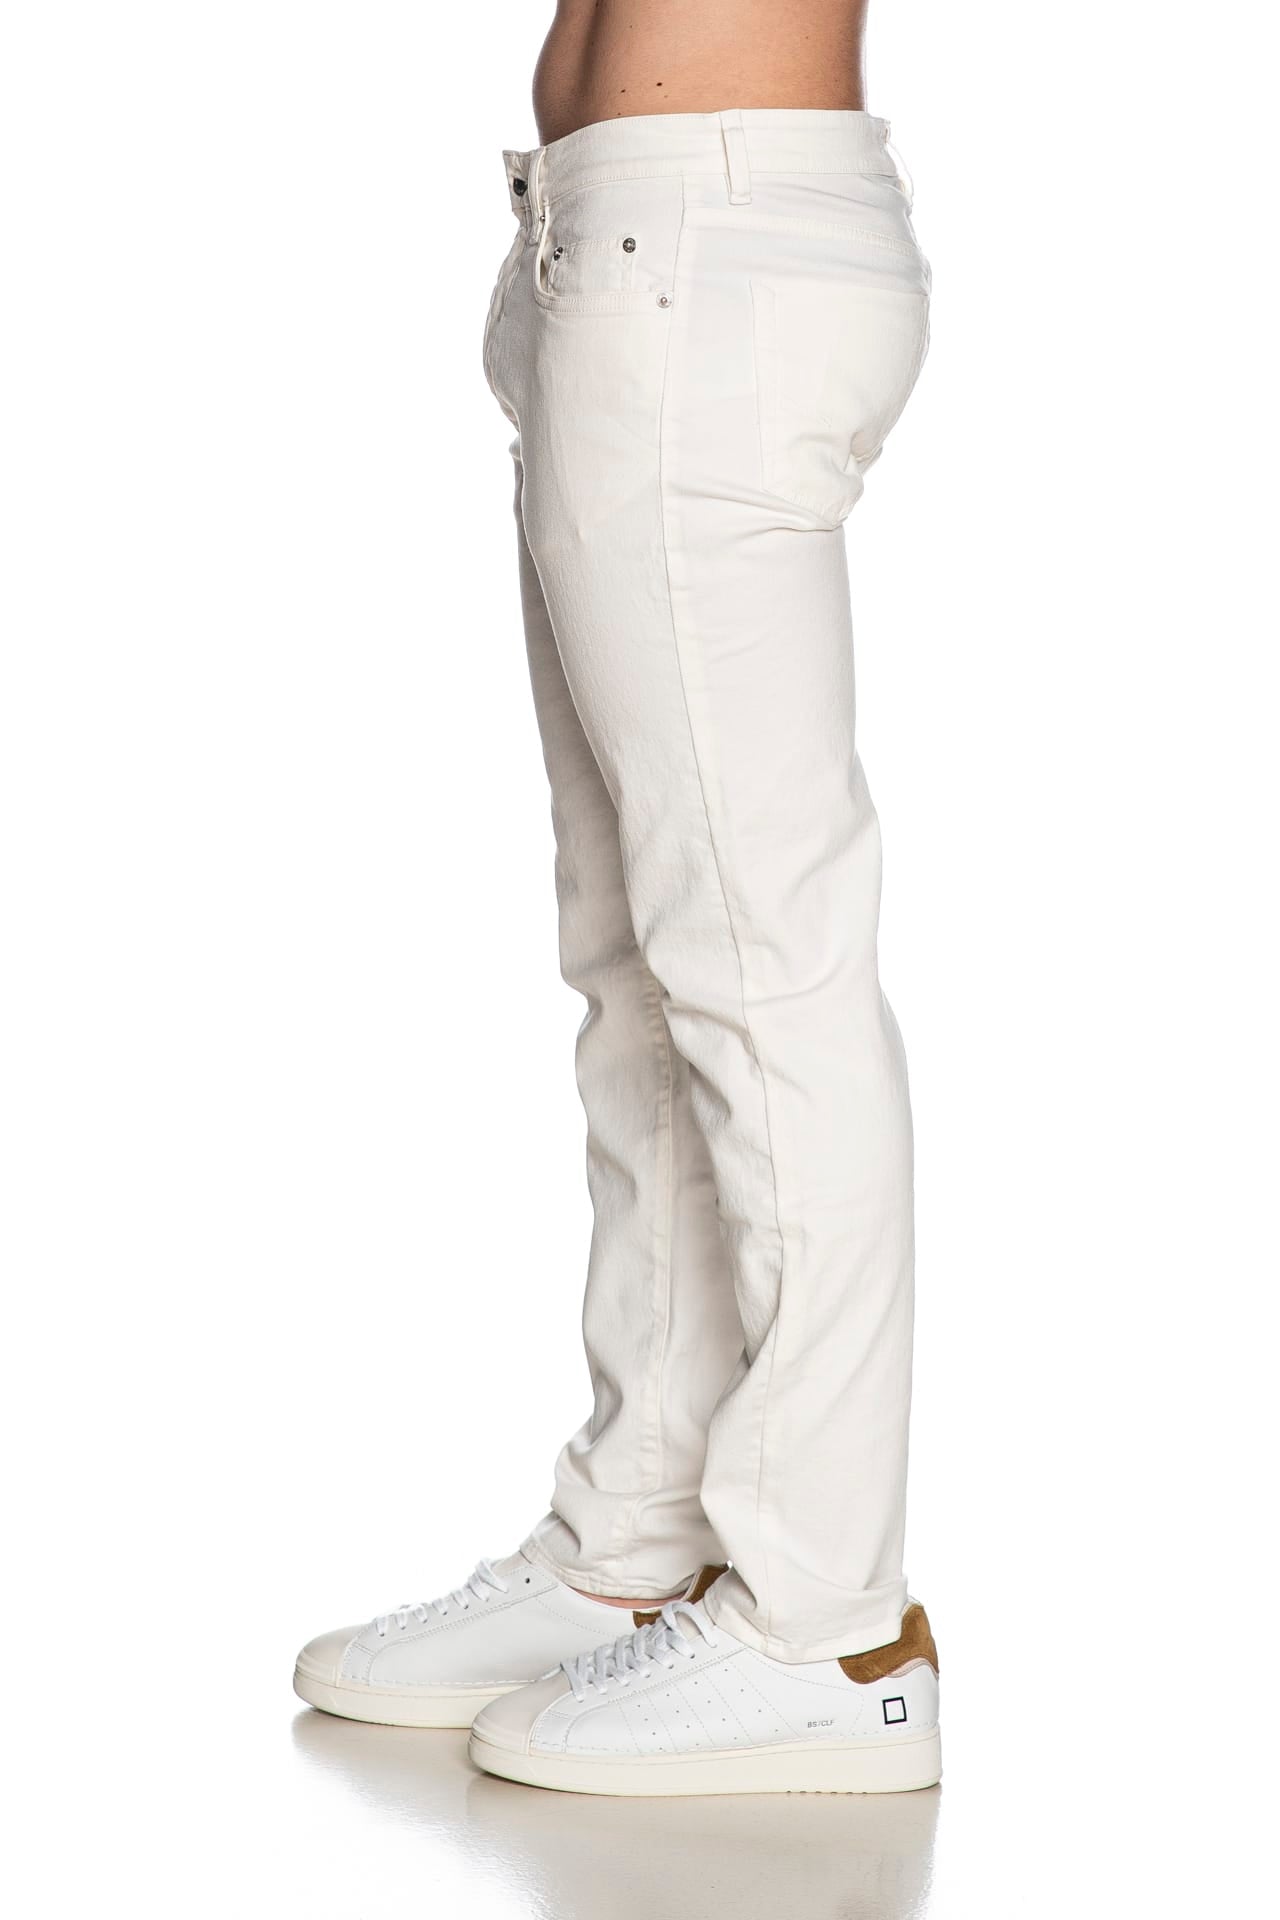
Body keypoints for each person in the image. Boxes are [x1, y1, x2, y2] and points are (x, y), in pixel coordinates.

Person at [295, 0, 940, 1796]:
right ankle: (638, 1542)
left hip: (701, 244)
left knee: (762, 970)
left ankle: (830, 1628)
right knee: (644, 964)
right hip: (626, 237)